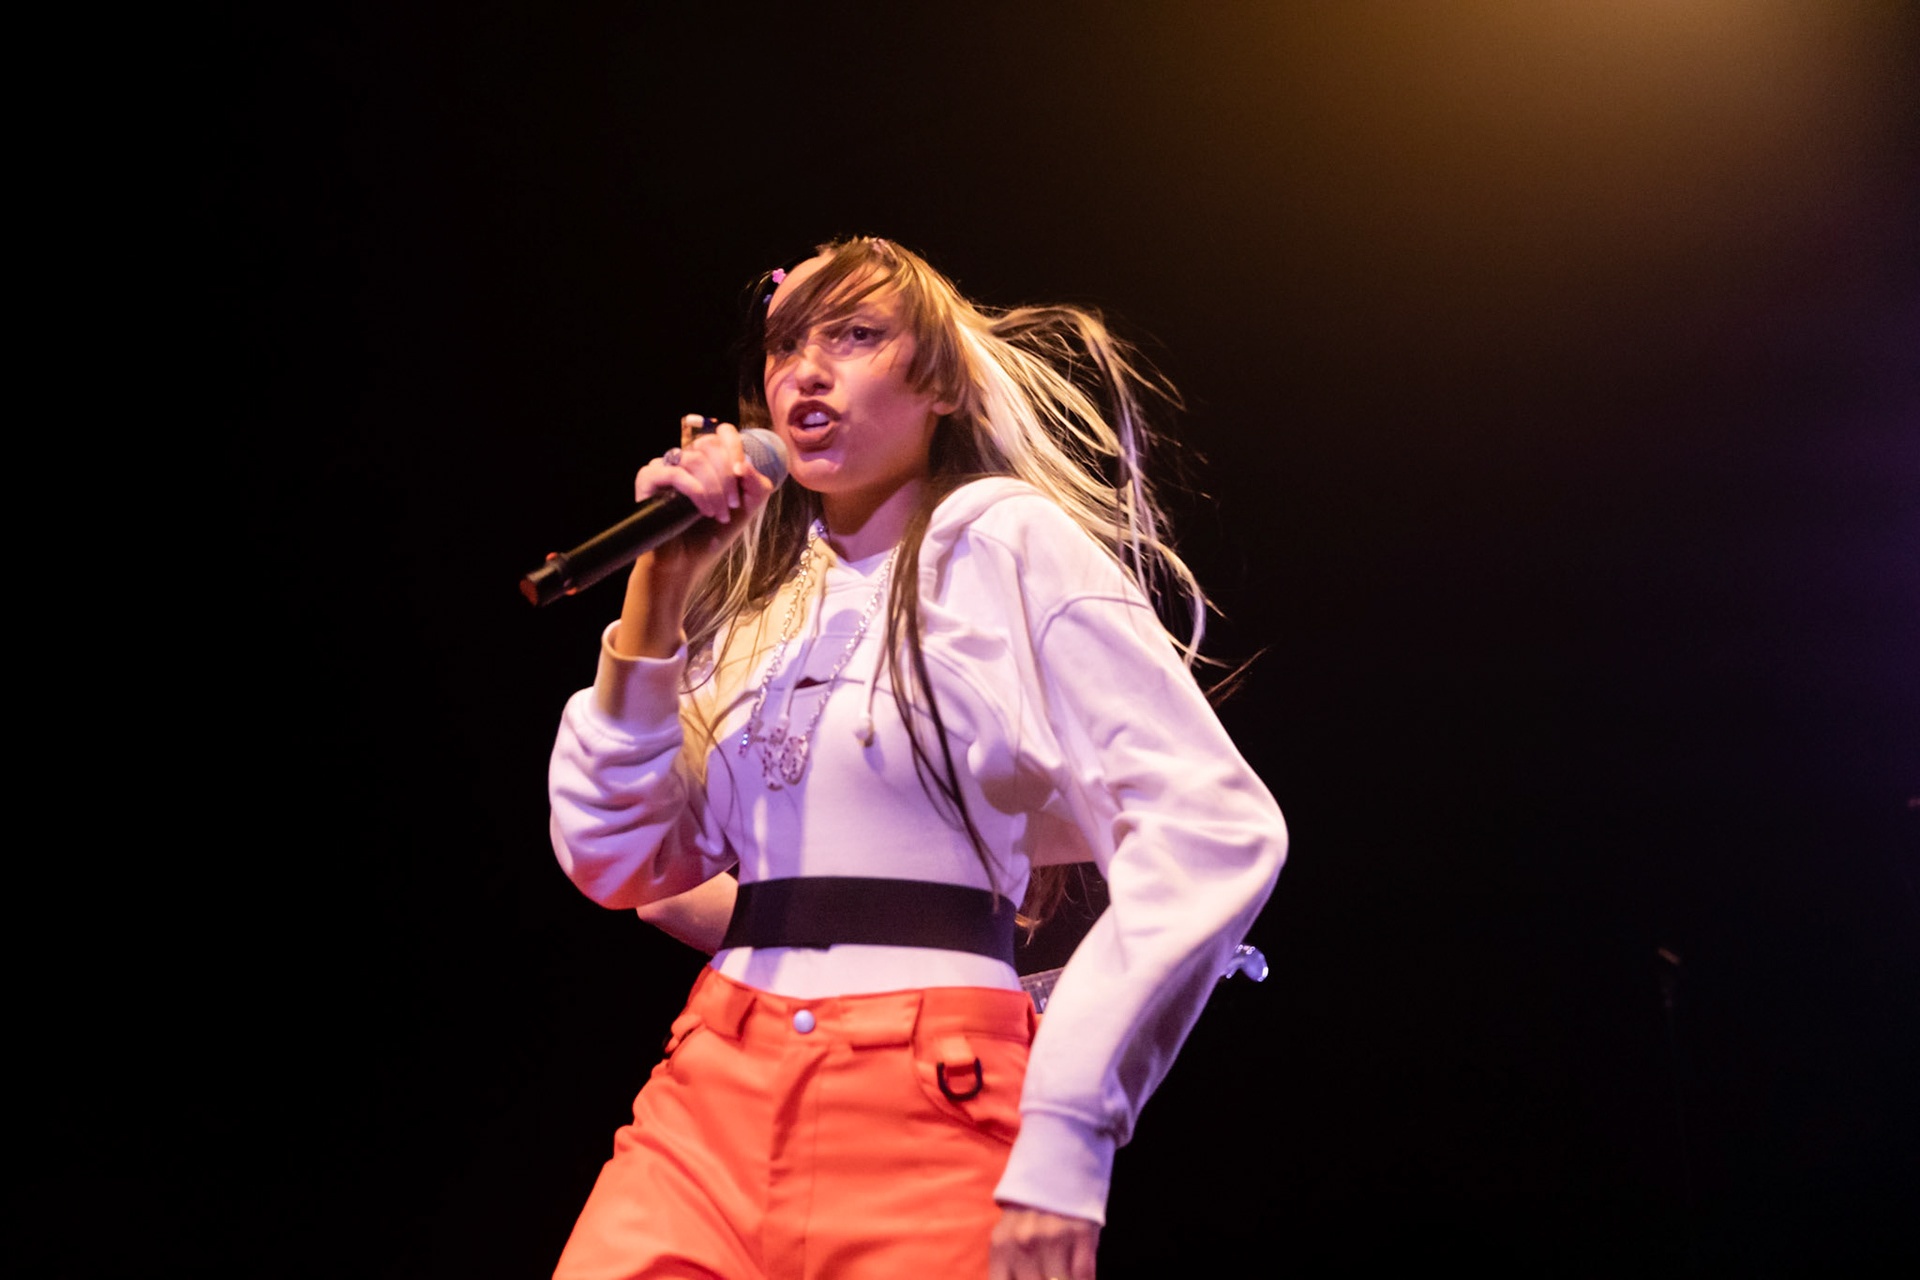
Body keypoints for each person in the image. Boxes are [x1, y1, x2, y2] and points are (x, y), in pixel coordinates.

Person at [547, 237, 1287, 1280]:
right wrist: (659, 589)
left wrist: (1069, 1133)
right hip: (710, 1096)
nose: (806, 369)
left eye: (854, 335)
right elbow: (616, 861)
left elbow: (1210, 826)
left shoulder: (1005, 539)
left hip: (929, 1099)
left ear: (938, 383)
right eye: (785, 344)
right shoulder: (760, 613)